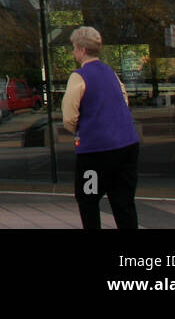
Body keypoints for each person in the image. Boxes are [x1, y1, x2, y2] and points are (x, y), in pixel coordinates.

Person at [62, 26, 140, 229]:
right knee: (123, 202)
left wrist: (82, 130)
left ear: (82, 50)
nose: (73, 52)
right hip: (127, 145)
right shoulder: (111, 73)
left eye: (74, 48)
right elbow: (124, 100)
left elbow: (69, 116)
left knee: (88, 199)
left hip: (95, 151)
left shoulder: (79, 77)